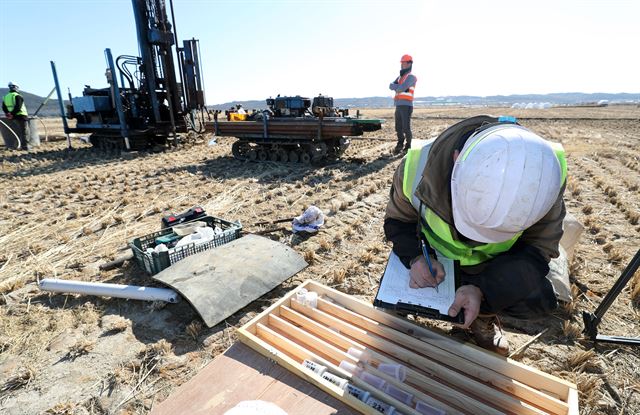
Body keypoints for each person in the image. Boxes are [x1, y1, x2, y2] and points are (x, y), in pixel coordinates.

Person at [383, 115, 567, 355]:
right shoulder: (417, 165)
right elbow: (397, 221)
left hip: (492, 268)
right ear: (456, 160)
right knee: (397, 287)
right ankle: (401, 303)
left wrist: (484, 291)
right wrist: (416, 258)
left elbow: (540, 250)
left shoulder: (546, 176)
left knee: (538, 298)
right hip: (434, 260)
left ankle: (482, 316)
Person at [389, 55, 417, 154]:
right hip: (398, 105)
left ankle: (408, 146)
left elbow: (400, 88)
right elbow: (390, 86)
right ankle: (400, 144)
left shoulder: (412, 77)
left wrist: (397, 87)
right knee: (398, 127)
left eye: (403, 63)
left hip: (406, 106)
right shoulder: (400, 77)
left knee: (406, 127)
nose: (402, 65)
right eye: (401, 63)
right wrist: (398, 86)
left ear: (409, 63)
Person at [2, 81, 29, 150]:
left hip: (13, 117)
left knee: (17, 131)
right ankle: (25, 147)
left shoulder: (6, 97)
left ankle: (16, 145)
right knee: (25, 132)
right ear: (16, 87)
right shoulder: (18, 96)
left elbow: (4, 107)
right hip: (21, 116)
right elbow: (18, 107)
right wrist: (12, 114)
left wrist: (8, 114)